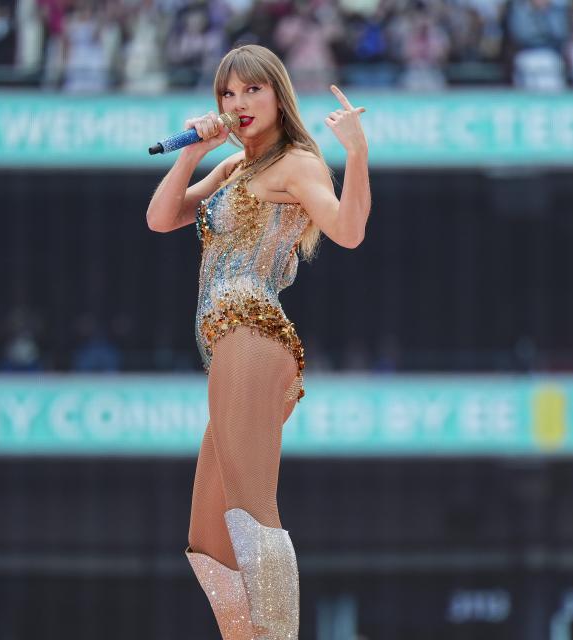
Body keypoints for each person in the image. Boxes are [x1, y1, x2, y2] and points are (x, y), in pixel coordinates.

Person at [145, 44, 371, 639]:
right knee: (207, 538)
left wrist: (357, 153)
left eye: (252, 90)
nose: (238, 103)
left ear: (278, 95)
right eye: (228, 93)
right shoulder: (234, 166)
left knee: (249, 509)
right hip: (224, 343)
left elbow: (347, 230)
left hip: (252, 331)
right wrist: (195, 152)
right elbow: (161, 217)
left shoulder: (297, 160)